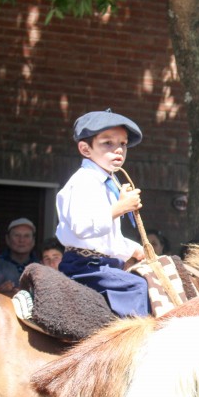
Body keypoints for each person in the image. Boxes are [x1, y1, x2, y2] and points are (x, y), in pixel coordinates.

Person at [55, 109, 149, 317]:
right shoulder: (84, 181)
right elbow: (82, 227)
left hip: (101, 265)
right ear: (85, 149)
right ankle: (129, 347)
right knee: (138, 288)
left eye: (123, 144)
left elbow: (106, 240)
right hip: (85, 267)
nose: (118, 150)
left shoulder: (109, 182)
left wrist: (135, 250)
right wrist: (120, 208)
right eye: (108, 143)